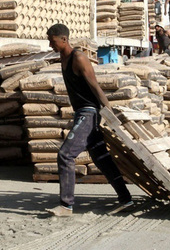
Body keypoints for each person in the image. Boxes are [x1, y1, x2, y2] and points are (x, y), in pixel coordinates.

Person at [46, 23, 133, 217]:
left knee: (66, 155)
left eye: (52, 41)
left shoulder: (78, 58)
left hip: (89, 112)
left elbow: (95, 86)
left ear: (64, 39)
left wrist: (109, 112)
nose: (50, 45)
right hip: (81, 112)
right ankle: (126, 198)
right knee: (101, 157)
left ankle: (66, 206)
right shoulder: (63, 57)